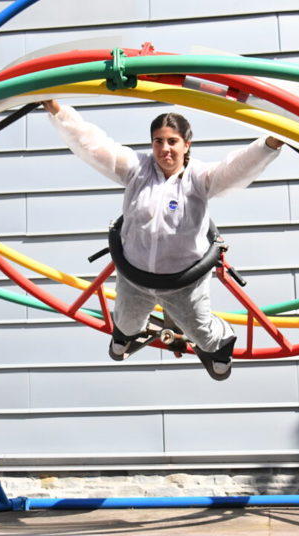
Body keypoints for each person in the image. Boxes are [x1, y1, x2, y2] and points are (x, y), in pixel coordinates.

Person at [42, 99, 282, 380]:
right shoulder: (137, 170)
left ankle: (222, 343)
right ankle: (127, 334)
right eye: (158, 142)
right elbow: (93, 145)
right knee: (126, 322)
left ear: (186, 144)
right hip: (135, 275)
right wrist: (57, 109)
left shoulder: (200, 178)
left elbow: (237, 167)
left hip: (183, 282)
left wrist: (272, 141)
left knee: (203, 333)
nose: (165, 149)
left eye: (172, 141)